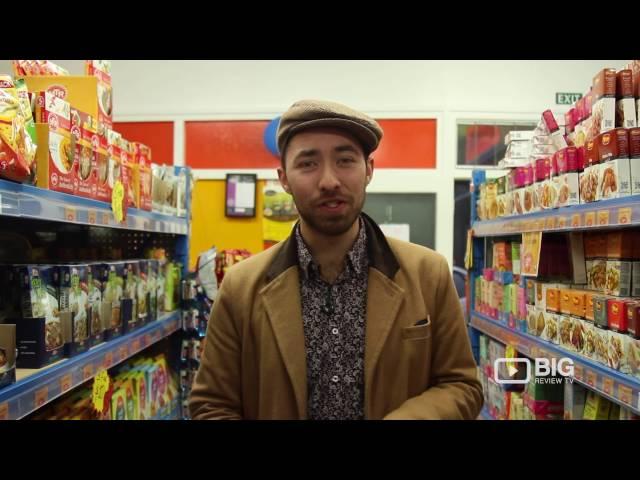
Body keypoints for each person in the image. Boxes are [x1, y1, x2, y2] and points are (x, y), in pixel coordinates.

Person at [189, 99, 483, 420]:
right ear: (284, 177)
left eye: (345, 160)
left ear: (369, 170)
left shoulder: (429, 274)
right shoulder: (240, 287)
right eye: (308, 164)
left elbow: (462, 385)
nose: (329, 180)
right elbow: (211, 405)